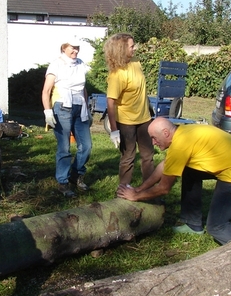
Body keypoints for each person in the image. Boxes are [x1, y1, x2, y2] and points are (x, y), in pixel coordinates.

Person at [117, 117, 231, 245]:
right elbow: (165, 166)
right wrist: (139, 189)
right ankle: (192, 224)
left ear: (165, 133)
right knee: (188, 171)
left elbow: (164, 188)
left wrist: (135, 196)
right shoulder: (181, 133)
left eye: (154, 138)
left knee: (217, 227)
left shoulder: (180, 145)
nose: (153, 142)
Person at [42, 37, 92, 197]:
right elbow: (46, 90)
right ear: (64, 48)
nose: (75, 51)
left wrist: (87, 108)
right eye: (72, 48)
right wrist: (48, 111)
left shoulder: (80, 64)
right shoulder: (55, 64)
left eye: (77, 48)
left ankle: (76, 174)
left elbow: (83, 88)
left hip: (80, 107)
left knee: (87, 146)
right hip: (62, 107)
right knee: (64, 147)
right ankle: (62, 182)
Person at [104, 33, 154, 185]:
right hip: (126, 121)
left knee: (148, 156)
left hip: (144, 118)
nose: (135, 48)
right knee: (128, 157)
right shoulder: (117, 74)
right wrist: (114, 130)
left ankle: (149, 189)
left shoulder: (136, 61)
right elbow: (110, 102)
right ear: (121, 49)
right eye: (131, 46)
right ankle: (123, 191)